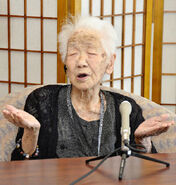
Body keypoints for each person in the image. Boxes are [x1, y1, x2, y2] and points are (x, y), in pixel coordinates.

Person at [2, 16, 174, 160]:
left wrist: (140, 140)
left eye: (91, 53)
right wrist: (31, 133)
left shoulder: (125, 108)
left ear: (110, 63)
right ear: (65, 63)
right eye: (73, 53)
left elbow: (145, 170)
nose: (81, 62)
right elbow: (20, 167)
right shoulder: (42, 100)